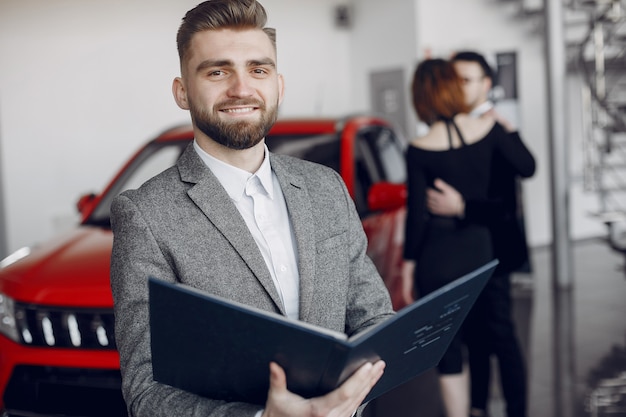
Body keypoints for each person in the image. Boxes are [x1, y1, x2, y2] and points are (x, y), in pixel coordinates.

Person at [109, 1, 394, 416]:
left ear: (278, 84)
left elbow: (373, 319)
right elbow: (146, 390)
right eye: (217, 71)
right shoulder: (145, 215)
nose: (241, 88)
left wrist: (351, 396)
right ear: (182, 91)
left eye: (257, 70)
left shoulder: (326, 187)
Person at [400, 58, 535, 417]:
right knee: (490, 335)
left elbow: (416, 214)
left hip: (440, 255)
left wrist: (409, 264)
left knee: (454, 348)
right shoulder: (487, 132)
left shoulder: (418, 147)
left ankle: (472, 411)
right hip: (480, 250)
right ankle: (486, 407)